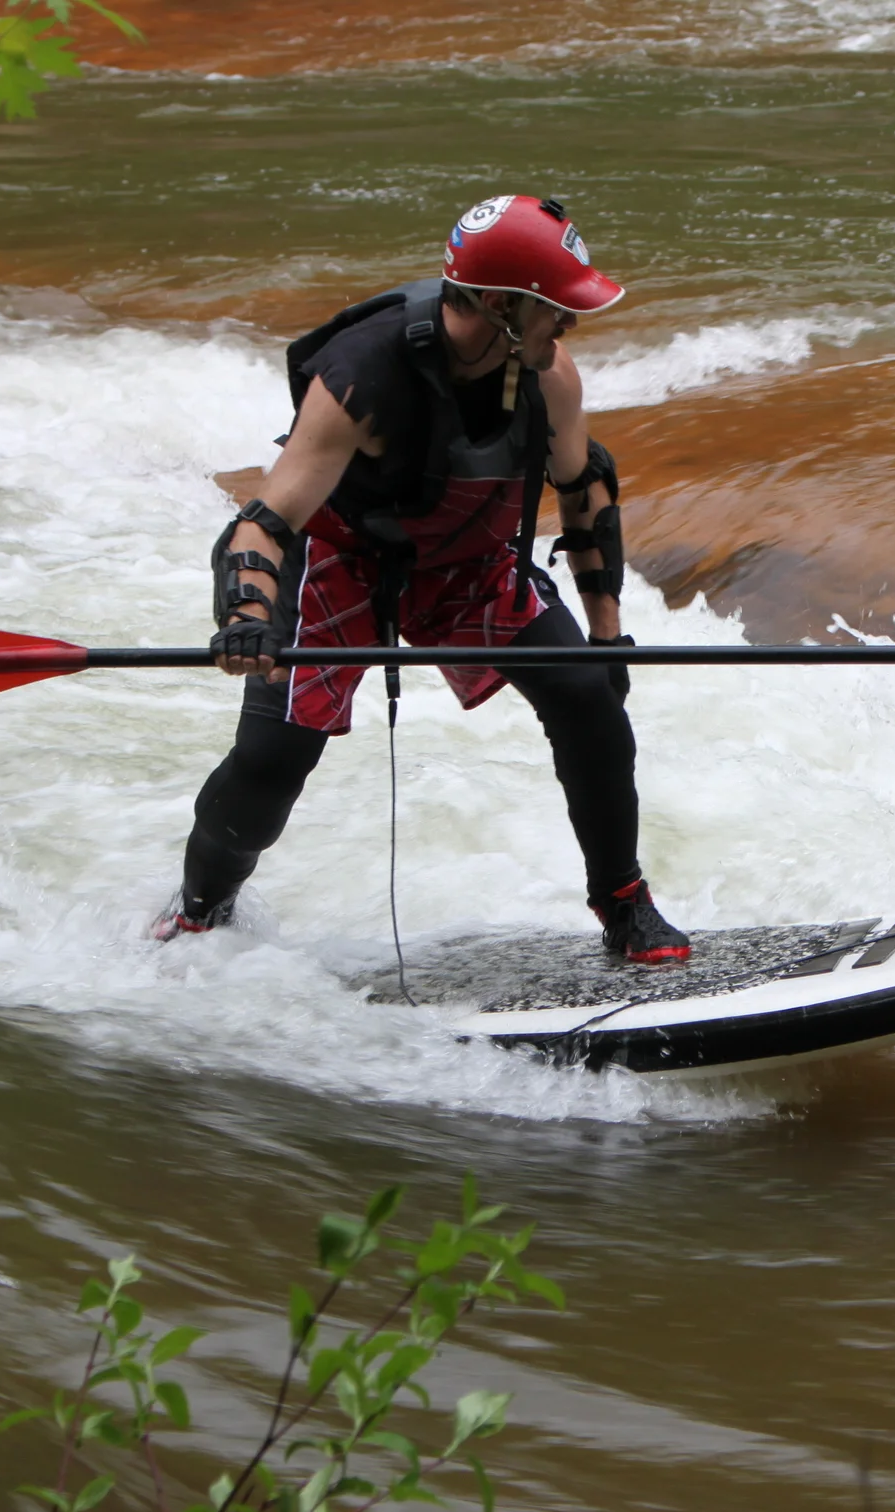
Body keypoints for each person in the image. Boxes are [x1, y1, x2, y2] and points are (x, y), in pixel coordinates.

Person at [151, 193, 692, 965]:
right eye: (555, 309)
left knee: (588, 702)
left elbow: (585, 495)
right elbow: (264, 523)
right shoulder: (359, 378)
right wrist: (249, 618)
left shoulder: (549, 375)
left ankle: (624, 905)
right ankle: (200, 911)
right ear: (502, 307)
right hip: (341, 561)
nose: (569, 325)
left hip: (466, 561)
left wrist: (609, 642)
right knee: (274, 760)